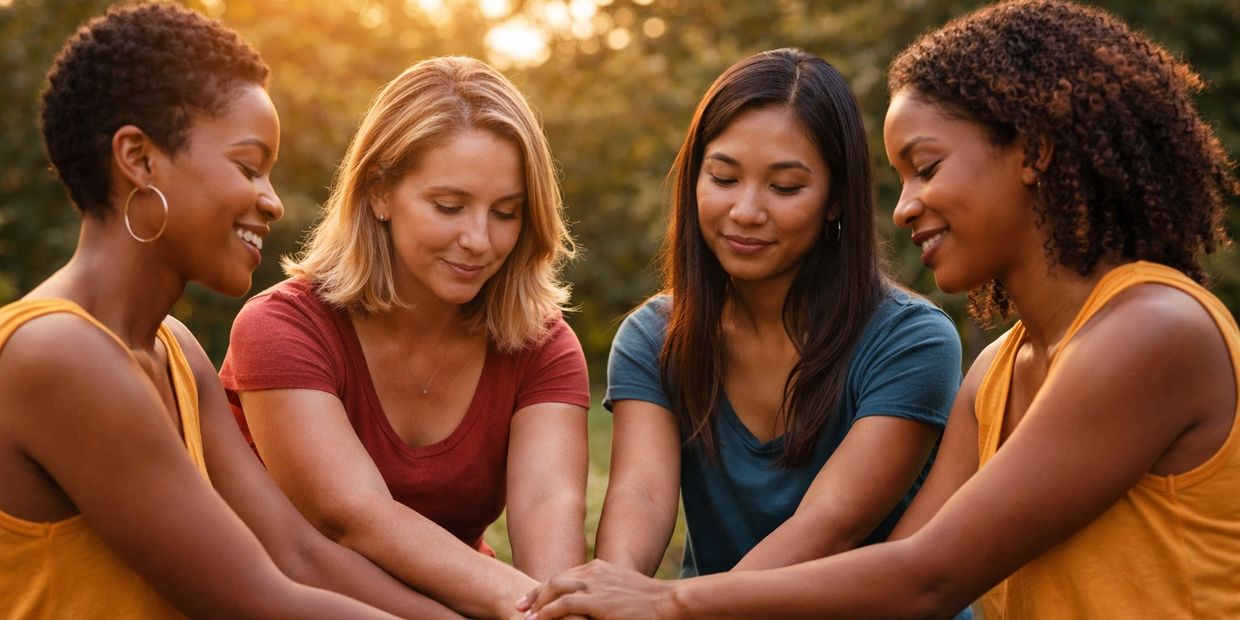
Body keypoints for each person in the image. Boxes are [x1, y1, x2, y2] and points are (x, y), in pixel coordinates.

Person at [516, 1, 1240, 618]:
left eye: (926, 168)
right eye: (899, 177)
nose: (903, 209)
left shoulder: (1152, 330)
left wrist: (673, 603)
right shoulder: (995, 371)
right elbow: (897, 571)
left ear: (1034, 152)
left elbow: (931, 579)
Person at [0, 3, 460, 618]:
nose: (271, 202)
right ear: (138, 159)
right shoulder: (58, 353)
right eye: (249, 167)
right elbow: (258, 598)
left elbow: (296, 555)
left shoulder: (176, 350)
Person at [219, 56, 590, 619]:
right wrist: (524, 610)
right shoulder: (283, 329)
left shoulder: (542, 345)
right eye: (449, 206)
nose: (478, 240)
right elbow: (352, 518)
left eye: (506, 213)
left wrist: (556, 608)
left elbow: (548, 510)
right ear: (379, 193)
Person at [591, 47, 963, 586]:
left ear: (836, 199)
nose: (746, 211)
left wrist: (666, 606)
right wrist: (615, 585)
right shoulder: (654, 337)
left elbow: (830, 527)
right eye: (722, 178)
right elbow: (641, 494)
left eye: (785, 187)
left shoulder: (911, 341)